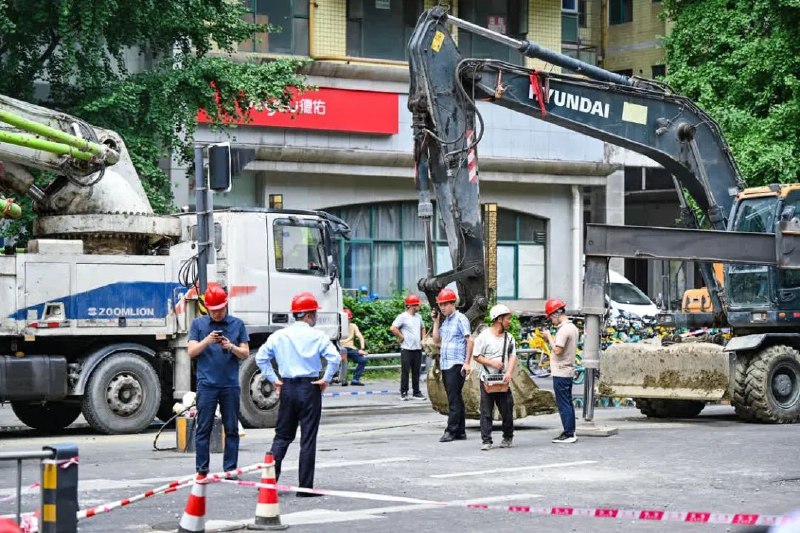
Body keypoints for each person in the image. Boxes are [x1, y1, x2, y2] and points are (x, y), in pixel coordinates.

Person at [255, 291, 340, 495]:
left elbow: (261, 358)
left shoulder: (279, 335)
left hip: (287, 388)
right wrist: (326, 379)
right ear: (310, 315)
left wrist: (275, 380)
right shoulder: (317, 335)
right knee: (308, 438)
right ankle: (304, 487)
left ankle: (269, 481)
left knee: (282, 436)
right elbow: (335, 358)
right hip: (310, 387)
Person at [188, 284, 250, 475]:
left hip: (229, 384)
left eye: (220, 310)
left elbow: (245, 353)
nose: (217, 314)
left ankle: (230, 469)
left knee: (231, 428)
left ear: (226, 305)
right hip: (206, 384)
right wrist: (207, 340)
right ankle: (202, 469)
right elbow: (191, 352)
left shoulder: (237, 324)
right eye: (213, 311)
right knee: (203, 429)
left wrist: (230, 346)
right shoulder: (198, 325)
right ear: (207, 308)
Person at [472, 304, 516, 451]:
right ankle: (486, 440)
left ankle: (508, 437)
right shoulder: (484, 336)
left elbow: (512, 356)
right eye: (507, 318)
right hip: (487, 379)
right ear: (499, 319)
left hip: (503, 380)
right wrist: (492, 362)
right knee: (486, 411)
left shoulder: (509, 338)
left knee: (507, 409)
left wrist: (509, 372)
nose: (509, 321)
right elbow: (476, 356)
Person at [431, 287, 473, 442]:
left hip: (456, 363)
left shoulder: (460, 319)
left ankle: (451, 430)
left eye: (445, 304)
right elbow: (436, 340)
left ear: (453, 303)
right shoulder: (446, 321)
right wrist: (436, 322)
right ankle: (460, 431)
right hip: (446, 364)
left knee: (454, 399)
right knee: (455, 398)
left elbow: (470, 340)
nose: (442, 307)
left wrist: (467, 363)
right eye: (440, 305)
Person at [542, 297, 579, 444]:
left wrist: (549, 337)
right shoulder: (573, 328)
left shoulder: (564, 330)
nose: (551, 320)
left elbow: (557, 350)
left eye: (551, 316)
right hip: (567, 370)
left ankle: (569, 433)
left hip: (562, 371)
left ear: (557, 314)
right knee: (567, 402)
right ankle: (570, 431)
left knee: (563, 403)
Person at [390, 293, 427, 401]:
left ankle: (416, 392)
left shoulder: (419, 317)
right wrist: (401, 336)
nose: (419, 306)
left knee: (416, 371)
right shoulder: (403, 317)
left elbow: (423, 328)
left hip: (417, 349)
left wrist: (423, 339)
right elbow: (393, 328)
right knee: (405, 371)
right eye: (417, 305)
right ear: (411, 306)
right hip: (406, 349)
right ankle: (404, 392)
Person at [340, 308, 368, 386]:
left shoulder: (353, 326)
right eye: (346, 319)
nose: (348, 321)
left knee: (362, 360)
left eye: (349, 319)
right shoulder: (337, 326)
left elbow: (360, 336)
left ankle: (355, 379)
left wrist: (362, 348)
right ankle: (339, 379)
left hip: (351, 349)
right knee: (337, 361)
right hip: (340, 348)